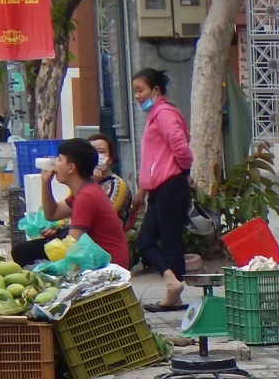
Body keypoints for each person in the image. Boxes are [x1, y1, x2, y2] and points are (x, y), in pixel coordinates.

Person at [12, 137, 128, 269]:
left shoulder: (86, 196)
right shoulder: (84, 190)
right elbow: (52, 214)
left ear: (71, 167)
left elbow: (71, 246)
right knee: (23, 251)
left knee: (27, 256)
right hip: (96, 257)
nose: (55, 164)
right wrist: (45, 182)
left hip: (108, 264)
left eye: (60, 159)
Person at [133, 68, 192, 312]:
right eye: (135, 91)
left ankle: (173, 292)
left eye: (140, 90)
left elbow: (181, 147)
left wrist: (183, 171)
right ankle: (172, 284)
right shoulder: (156, 115)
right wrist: (142, 191)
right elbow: (153, 159)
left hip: (171, 185)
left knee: (169, 241)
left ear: (156, 90)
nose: (137, 96)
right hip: (160, 188)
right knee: (146, 240)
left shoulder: (164, 114)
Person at [87, 130, 134, 225]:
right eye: (91, 151)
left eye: (101, 152)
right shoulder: (81, 180)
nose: (96, 156)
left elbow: (103, 216)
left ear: (110, 159)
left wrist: (93, 185)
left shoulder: (117, 184)